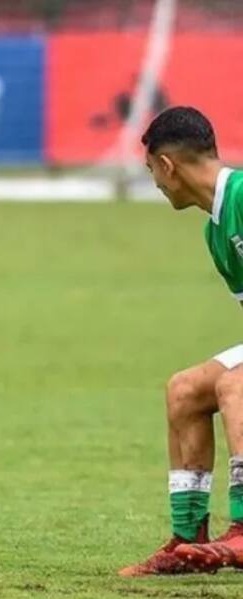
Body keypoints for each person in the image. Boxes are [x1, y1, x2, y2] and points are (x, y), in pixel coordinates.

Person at [120, 106, 243, 576]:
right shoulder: (215, 231)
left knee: (236, 386)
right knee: (186, 390)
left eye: (151, 169)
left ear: (167, 166)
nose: (153, 181)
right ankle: (188, 539)